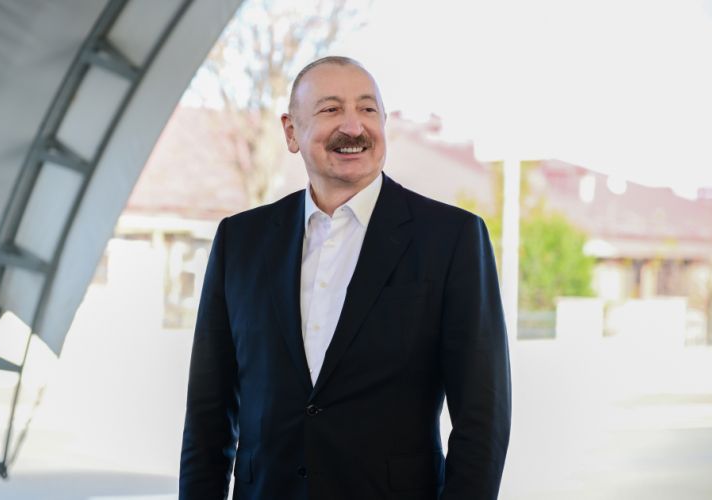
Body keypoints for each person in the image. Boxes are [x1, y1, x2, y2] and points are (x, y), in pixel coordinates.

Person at [179, 56, 511, 500]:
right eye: (331, 109)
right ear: (291, 132)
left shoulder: (452, 239)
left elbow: (483, 420)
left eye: (368, 109)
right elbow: (208, 414)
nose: (354, 127)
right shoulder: (240, 241)